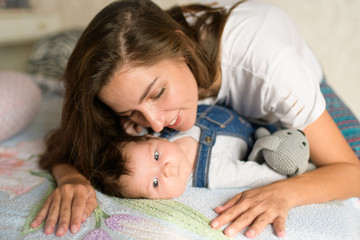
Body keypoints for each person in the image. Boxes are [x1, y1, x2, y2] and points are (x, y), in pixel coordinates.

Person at [30, 0, 360, 238]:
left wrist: (285, 193)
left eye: (157, 94)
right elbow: (68, 142)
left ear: (183, 49)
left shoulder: (278, 73)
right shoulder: (133, 79)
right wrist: (71, 177)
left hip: (289, 76)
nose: (156, 125)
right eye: (130, 113)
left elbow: (351, 172)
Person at [90, 104, 291, 199]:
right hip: (264, 135)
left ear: (151, 138)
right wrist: (287, 170)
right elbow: (258, 175)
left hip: (238, 103)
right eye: (155, 183)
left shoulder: (161, 127)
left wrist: (134, 126)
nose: (166, 169)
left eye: (157, 156)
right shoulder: (214, 174)